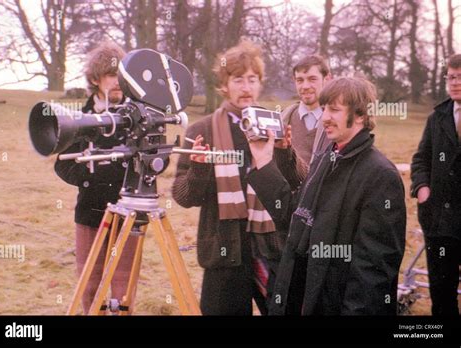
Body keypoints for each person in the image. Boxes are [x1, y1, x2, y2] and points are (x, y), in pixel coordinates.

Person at [247, 77, 406, 315]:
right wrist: (263, 160)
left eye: (334, 109)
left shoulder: (381, 176)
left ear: (361, 115)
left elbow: (372, 274)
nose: (325, 118)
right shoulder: (326, 158)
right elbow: (292, 215)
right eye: (324, 109)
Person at [172, 40, 307, 315]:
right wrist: (198, 168)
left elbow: (299, 183)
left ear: (259, 83)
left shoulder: (274, 124)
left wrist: (284, 153)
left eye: (252, 79)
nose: (246, 87)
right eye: (238, 80)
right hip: (224, 251)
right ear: (224, 85)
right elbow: (183, 196)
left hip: (270, 246)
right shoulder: (203, 130)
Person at [54, 42, 138, 314]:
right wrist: (91, 172)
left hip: (131, 213)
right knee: (90, 285)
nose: (118, 83)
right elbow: (62, 165)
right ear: (95, 79)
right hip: (90, 213)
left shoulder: (139, 114)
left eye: (122, 77)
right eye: (112, 76)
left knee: (124, 286)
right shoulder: (79, 118)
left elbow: (159, 161)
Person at [411, 53, 461, 316]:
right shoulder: (437, 118)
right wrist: (422, 189)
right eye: (451, 77)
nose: (455, 82)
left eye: (460, 77)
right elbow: (420, 159)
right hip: (440, 222)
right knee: (442, 297)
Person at [281, 55, 332, 164]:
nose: (305, 86)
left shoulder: (337, 121)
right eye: (300, 80)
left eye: (312, 79)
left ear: (327, 79)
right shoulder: (283, 119)